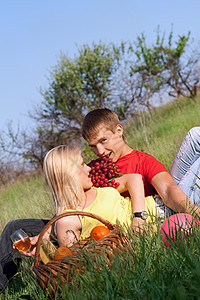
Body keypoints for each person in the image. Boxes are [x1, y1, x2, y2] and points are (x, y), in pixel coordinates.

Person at [82, 108, 200, 216]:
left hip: (160, 212)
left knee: (196, 135)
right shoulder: (93, 169)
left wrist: (195, 213)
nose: (99, 151)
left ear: (119, 131)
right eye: (93, 146)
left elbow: (168, 191)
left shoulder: (143, 161)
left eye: (103, 140)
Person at [43, 144, 160, 246]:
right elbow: (74, 262)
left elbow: (134, 179)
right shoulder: (67, 220)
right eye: (82, 164)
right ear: (70, 175)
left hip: (159, 205)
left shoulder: (95, 187)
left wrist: (138, 218)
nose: (88, 168)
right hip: (160, 227)